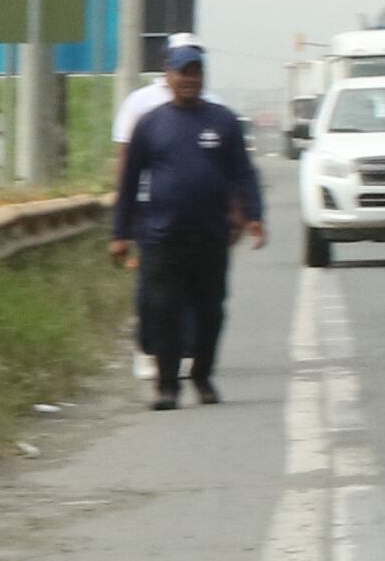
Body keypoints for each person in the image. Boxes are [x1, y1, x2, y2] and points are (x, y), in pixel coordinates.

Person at [109, 46, 267, 409]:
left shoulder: (224, 121)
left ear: (203, 77)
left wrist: (254, 215)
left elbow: (243, 173)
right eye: (183, 73)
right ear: (168, 76)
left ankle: (202, 376)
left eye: (196, 73)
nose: (189, 80)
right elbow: (129, 182)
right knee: (163, 309)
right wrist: (120, 234)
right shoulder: (150, 124)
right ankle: (167, 387)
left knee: (210, 310)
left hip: (211, 234)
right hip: (162, 235)